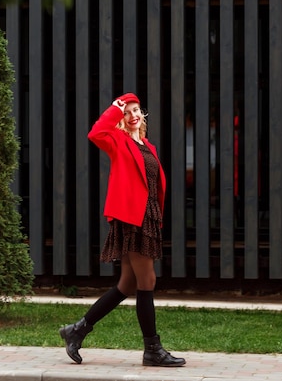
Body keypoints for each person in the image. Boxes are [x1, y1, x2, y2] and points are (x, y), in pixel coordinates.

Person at [59, 92, 186, 367]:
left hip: (147, 217)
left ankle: (77, 330)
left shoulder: (147, 146)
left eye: (137, 109)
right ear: (121, 118)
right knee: (147, 281)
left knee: (127, 283)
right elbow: (96, 133)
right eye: (127, 112)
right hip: (133, 218)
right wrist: (116, 107)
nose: (133, 115)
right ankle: (152, 349)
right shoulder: (118, 141)